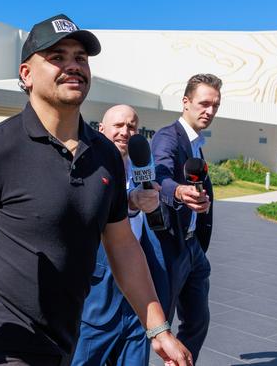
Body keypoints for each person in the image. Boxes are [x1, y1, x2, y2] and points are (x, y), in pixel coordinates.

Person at [0, 14, 192, 366]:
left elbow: (122, 245)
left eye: (80, 58)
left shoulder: (106, 157)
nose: (73, 66)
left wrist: (158, 329)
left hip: (66, 339)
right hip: (3, 344)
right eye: (57, 57)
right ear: (26, 74)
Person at [72, 105, 170, 366]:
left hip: (139, 303)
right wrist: (130, 202)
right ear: (101, 129)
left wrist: (154, 206)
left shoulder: (144, 172)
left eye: (131, 126)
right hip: (97, 300)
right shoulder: (87, 170)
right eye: (118, 125)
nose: (125, 131)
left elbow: (160, 228)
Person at [151, 73, 221, 362]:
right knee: (159, 326)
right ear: (185, 102)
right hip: (171, 246)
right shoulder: (168, 136)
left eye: (216, 105)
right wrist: (179, 192)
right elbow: (160, 175)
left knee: (197, 322)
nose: (210, 111)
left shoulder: (196, 142)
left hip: (193, 248)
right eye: (204, 103)